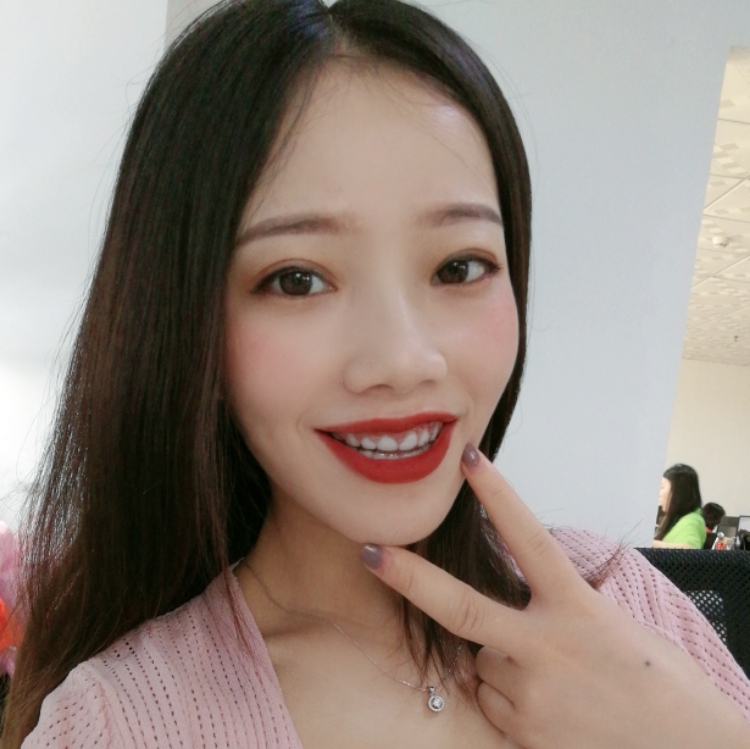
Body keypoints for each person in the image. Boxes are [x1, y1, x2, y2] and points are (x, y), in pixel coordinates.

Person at [4, 2, 750, 748]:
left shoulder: (624, 611)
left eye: (459, 267)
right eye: (297, 279)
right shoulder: (117, 723)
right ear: (189, 322)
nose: (404, 359)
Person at [653, 464, 707, 549]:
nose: (659, 493)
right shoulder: (675, 519)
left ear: (678, 492)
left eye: (662, 487)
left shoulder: (692, 520)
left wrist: (653, 544)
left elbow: (691, 550)